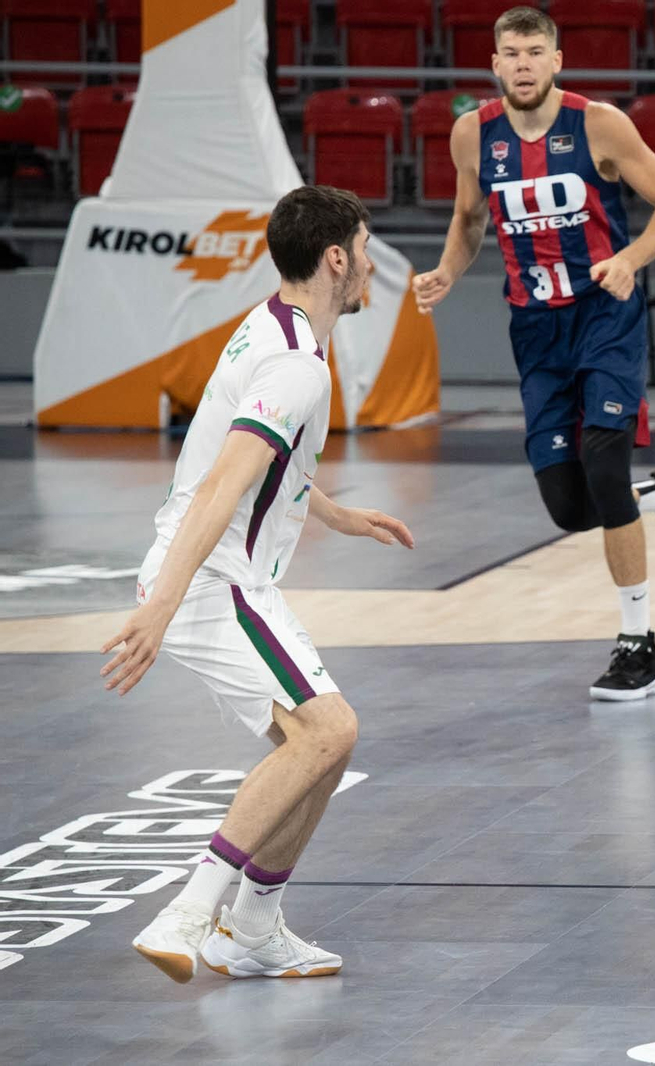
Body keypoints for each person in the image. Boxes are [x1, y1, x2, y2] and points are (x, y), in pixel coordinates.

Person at [107, 185, 415, 982]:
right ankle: (190, 912)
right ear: (337, 258)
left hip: (219, 571)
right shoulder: (297, 366)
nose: (374, 262)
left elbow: (258, 470)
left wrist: (338, 515)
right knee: (329, 731)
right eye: (367, 245)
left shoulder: (270, 325)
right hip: (210, 577)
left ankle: (253, 927)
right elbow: (220, 489)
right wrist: (165, 604)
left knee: (315, 748)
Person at [412, 5, 655, 700]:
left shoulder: (599, 125)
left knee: (606, 469)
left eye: (534, 51)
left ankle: (638, 645)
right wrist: (445, 273)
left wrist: (631, 258)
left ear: (557, 61)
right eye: (510, 53)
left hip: (604, 316)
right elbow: (467, 222)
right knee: (569, 508)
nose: (522, 64)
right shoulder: (473, 134)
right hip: (535, 330)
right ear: (494, 64)